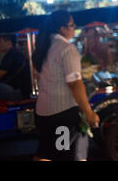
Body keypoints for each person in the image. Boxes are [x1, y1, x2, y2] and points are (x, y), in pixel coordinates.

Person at [33, 10, 100, 161]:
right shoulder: (66, 49)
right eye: (72, 25)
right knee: (63, 155)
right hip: (61, 114)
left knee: (45, 153)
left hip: (43, 113)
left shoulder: (44, 47)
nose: (74, 28)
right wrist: (88, 112)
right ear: (63, 28)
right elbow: (75, 84)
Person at [0, 35, 30, 101]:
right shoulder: (16, 53)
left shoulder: (11, 55)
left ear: (8, 43)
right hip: (21, 91)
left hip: (16, 92)